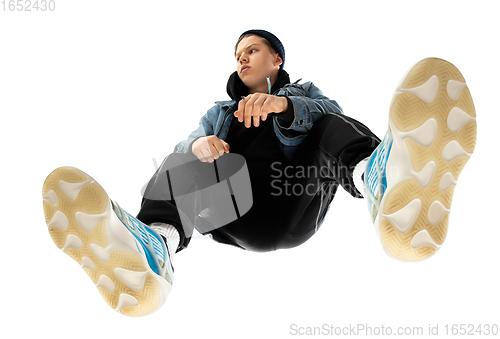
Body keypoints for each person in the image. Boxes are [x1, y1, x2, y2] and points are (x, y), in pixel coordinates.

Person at [42, 29, 477, 317]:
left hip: (295, 199)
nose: (242, 58)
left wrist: (284, 106)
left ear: (276, 58)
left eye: (251, 50)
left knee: (328, 124)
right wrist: (200, 145)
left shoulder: (302, 94)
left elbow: (334, 116)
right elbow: (183, 147)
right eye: (237, 55)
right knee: (177, 164)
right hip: (238, 215)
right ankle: (156, 247)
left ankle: (383, 186)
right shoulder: (219, 112)